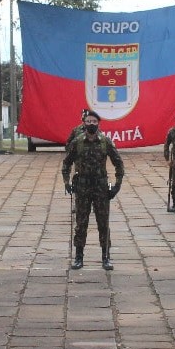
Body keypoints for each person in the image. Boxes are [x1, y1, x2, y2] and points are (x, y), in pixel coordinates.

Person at [62, 110, 124, 270]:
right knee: (81, 223)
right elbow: (66, 162)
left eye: (94, 122)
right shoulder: (78, 142)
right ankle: (78, 256)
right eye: (88, 121)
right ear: (84, 123)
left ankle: (106, 257)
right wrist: (66, 182)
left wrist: (117, 185)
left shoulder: (105, 141)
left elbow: (118, 163)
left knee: (103, 223)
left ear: (98, 124)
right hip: (82, 187)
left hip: (100, 187)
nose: (91, 124)